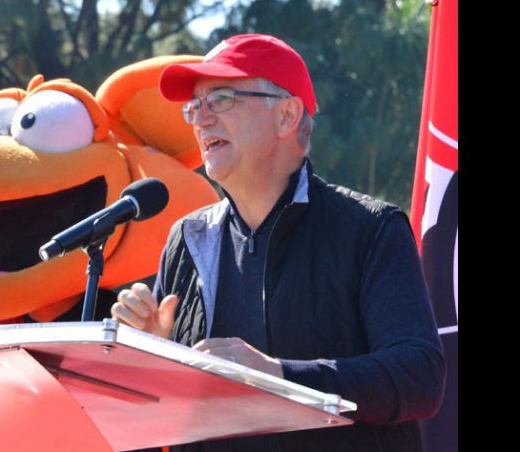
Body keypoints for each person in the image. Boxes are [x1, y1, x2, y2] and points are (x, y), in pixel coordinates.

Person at [111, 33, 445, 451]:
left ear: (287, 116)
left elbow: (419, 377)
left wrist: (279, 376)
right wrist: (152, 353)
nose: (200, 120)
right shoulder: (186, 239)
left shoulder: (371, 229)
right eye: (194, 107)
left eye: (221, 99)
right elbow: (160, 412)